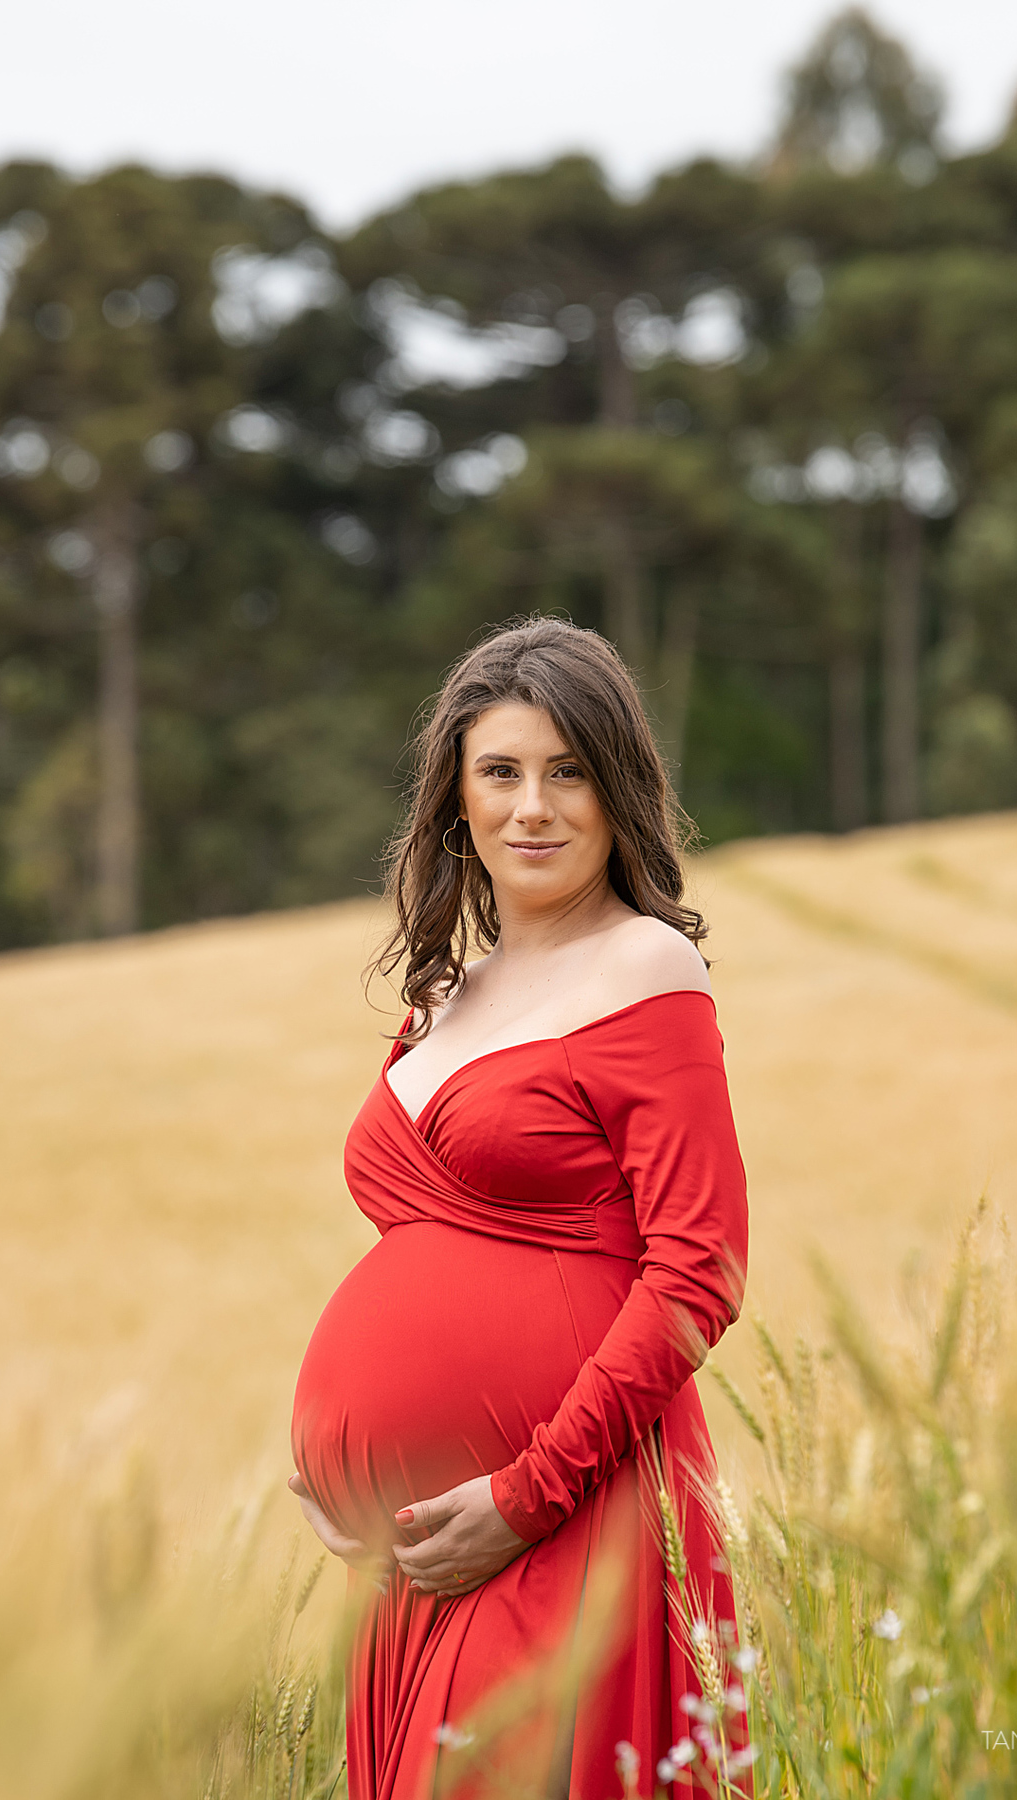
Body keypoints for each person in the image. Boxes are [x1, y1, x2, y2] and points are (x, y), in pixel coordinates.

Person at [289, 617, 751, 1800]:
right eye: (500, 772)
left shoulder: (647, 969)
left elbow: (700, 1271)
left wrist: (525, 1496)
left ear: (618, 792)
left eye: (569, 771)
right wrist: (347, 1484)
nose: (532, 808)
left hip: (565, 1522)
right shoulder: (447, 993)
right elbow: (432, 1259)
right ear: (456, 796)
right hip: (415, 1559)